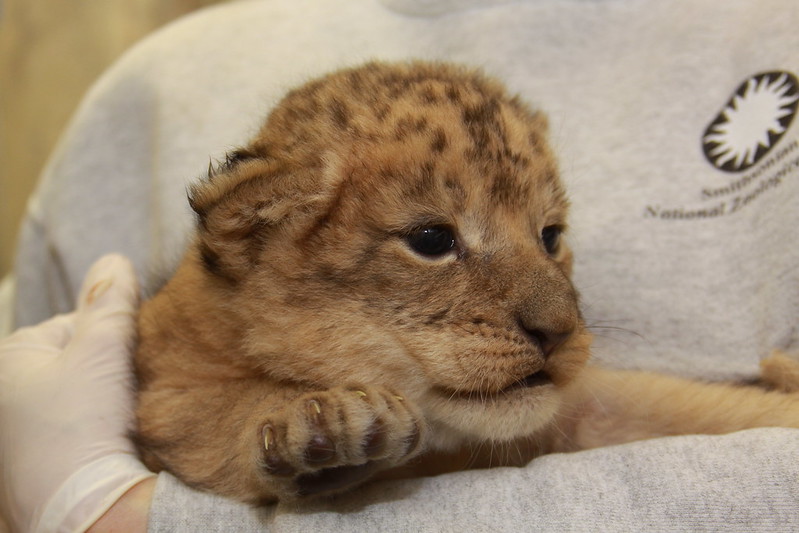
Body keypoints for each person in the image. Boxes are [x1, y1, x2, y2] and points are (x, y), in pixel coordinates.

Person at [2, 0, 799, 530]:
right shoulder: (152, 87)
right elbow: (176, 406)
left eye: (548, 233)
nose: (554, 314)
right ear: (255, 235)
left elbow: (600, 411)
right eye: (430, 239)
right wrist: (254, 434)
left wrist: (116, 514)